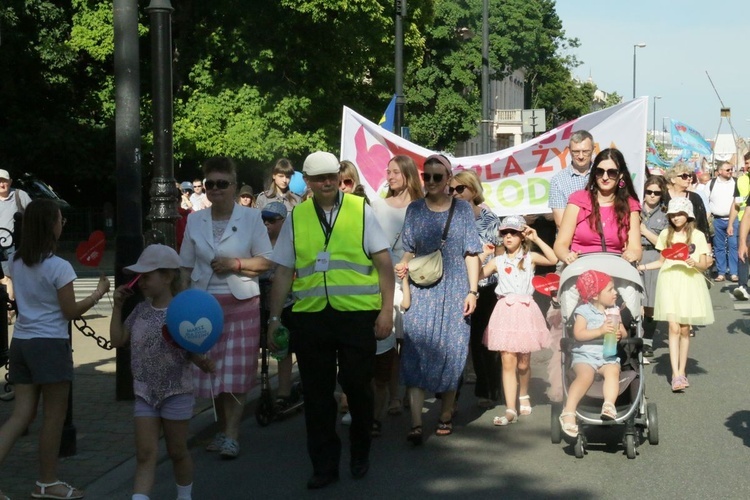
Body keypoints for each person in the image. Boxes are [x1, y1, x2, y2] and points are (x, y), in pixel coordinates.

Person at [267, 151, 394, 489]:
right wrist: (274, 318)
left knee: (357, 386)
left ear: (339, 176)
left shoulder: (360, 210)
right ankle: (324, 465)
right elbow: (282, 272)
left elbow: (384, 263)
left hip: (356, 315)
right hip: (312, 319)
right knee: (318, 395)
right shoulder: (297, 217)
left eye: (331, 176)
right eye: (318, 178)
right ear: (307, 182)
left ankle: (360, 450)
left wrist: (386, 310)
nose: (326, 182)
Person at [0, 199, 110, 500]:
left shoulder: (17, 261)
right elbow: (71, 311)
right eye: (60, 219)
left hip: (21, 342)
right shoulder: (59, 267)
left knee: (20, 415)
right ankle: (47, 483)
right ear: (50, 225)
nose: (63, 224)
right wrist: (99, 293)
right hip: (49, 344)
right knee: (53, 418)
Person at [179, 157, 273, 459]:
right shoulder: (195, 219)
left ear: (233, 185)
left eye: (222, 184)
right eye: (211, 184)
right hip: (203, 305)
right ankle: (221, 430)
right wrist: (182, 304)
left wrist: (236, 263)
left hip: (241, 302)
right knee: (212, 370)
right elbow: (185, 266)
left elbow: (266, 260)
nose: (216, 189)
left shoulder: (251, 218)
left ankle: (232, 432)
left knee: (237, 370)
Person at [110, 245, 214, 500]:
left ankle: (184, 495)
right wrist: (116, 306)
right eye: (139, 277)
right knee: (145, 454)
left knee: (177, 451)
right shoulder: (140, 310)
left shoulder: (181, 312)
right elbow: (117, 339)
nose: (140, 282)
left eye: (147, 276)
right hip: (145, 393)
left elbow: (193, 349)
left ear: (167, 277)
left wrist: (204, 362)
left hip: (176, 391)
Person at [394, 153, 481, 443]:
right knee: (416, 350)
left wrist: (472, 291)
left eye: (437, 177)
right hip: (422, 289)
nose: (430, 181)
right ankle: (417, 423)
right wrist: (402, 264)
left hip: (456, 289)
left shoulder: (463, 211)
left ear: (448, 180)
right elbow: (408, 247)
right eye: (426, 176)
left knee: (453, 351)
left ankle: (445, 412)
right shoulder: (415, 210)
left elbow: (471, 253)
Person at [479, 216, 557, 426]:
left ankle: (523, 394)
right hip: (504, 310)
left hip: (525, 310)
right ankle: (510, 408)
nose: (508, 237)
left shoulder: (530, 257)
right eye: (505, 233)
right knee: (507, 360)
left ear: (522, 235)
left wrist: (537, 238)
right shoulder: (498, 260)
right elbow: (477, 275)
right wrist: (484, 255)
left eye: (513, 233)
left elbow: (553, 259)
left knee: (523, 362)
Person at [637, 198, 714, 391]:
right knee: (673, 327)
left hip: (689, 282)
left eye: (680, 214)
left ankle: (682, 369)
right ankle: (676, 374)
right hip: (669, 281)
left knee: (685, 328)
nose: (676, 217)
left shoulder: (697, 235)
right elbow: (662, 261)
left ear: (688, 215)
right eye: (673, 214)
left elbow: (704, 264)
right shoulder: (666, 234)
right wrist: (642, 266)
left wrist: (694, 263)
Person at [369, 155, 424, 417]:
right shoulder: (377, 206)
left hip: (414, 279)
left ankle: (408, 391)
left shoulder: (420, 206)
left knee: (409, 342)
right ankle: (393, 395)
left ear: (408, 174)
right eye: (387, 171)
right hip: (384, 278)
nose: (389, 176)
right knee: (388, 342)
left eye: (395, 172)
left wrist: (408, 263)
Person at [449, 170, 502, 408]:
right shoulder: (445, 216)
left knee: (482, 341)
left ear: (473, 190)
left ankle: (487, 390)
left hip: (484, 286)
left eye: (460, 189)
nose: (455, 193)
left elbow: (498, 253)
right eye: (451, 189)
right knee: (454, 342)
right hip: (454, 286)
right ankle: (449, 396)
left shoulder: (489, 218)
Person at [558, 270, 626, 438]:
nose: (615, 292)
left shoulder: (615, 311)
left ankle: (609, 404)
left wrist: (619, 334)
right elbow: (579, 334)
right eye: (610, 290)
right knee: (585, 376)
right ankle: (568, 412)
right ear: (595, 295)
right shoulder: (584, 311)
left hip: (607, 355)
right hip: (585, 355)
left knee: (613, 372)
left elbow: (624, 333)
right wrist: (600, 330)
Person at [553, 148, 642, 264]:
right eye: (600, 172)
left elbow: (636, 248)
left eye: (611, 172)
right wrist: (567, 256)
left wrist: (633, 254)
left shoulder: (630, 205)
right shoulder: (578, 200)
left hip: (616, 272)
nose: (605, 177)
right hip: (580, 270)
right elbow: (560, 244)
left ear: (620, 175)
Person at [258, 201, 297, 413]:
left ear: (283, 221)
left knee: (284, 348)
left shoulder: (291, 241)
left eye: (272, 220)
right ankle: (263, 386)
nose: (267, 224)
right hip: (263, 302)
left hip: (287, 303)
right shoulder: (259, 243)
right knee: (267, 347)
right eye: (264, 220)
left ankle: (284, 391)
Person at [639, 175, 669, 358]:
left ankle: (648, 340)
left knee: (650, 302)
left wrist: (644, 230)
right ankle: (635, 336)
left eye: (656, 193)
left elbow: (663, 243)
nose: (652, 196)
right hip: (634, 254)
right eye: (649, 192)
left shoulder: (665, 216)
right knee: (634, 300)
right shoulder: (633, 211)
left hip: (653, 256)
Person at [0, 168, 32, 323]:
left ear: (10, 182)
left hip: (15, 244)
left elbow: (33, 214)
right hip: (0, 245)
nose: (2, 184)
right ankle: (12, 308)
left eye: (4, 180)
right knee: (5, 278)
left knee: (7, 277)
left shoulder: (19, 195)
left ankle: (9, 309)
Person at [548, 130, 595, 228]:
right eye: (576, 152)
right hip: (571, 240)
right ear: (569, 150)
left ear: (593, 150)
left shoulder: (603, 175)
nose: (581, 156)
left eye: (585, 151)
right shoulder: (558, 181)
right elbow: (561, 223)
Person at [708, 162, 739, 282]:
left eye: (731, 169)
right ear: (719, 171)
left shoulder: (736, 182)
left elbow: (738, 202)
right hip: (716, 220)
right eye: (727, 170)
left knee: (733, 246)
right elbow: (705, 201)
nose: (730, 171)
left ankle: (734, 272)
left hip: (733, 219)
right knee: (719, 247)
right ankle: (721, 272)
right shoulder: (712, 184)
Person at [731, 153, 750, 299]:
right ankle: (742, 285)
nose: (747, 165)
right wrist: (731, 223)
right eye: (746, 163)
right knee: (742, 254)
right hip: (743, 223)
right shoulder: (741, 181)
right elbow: (736, 204)